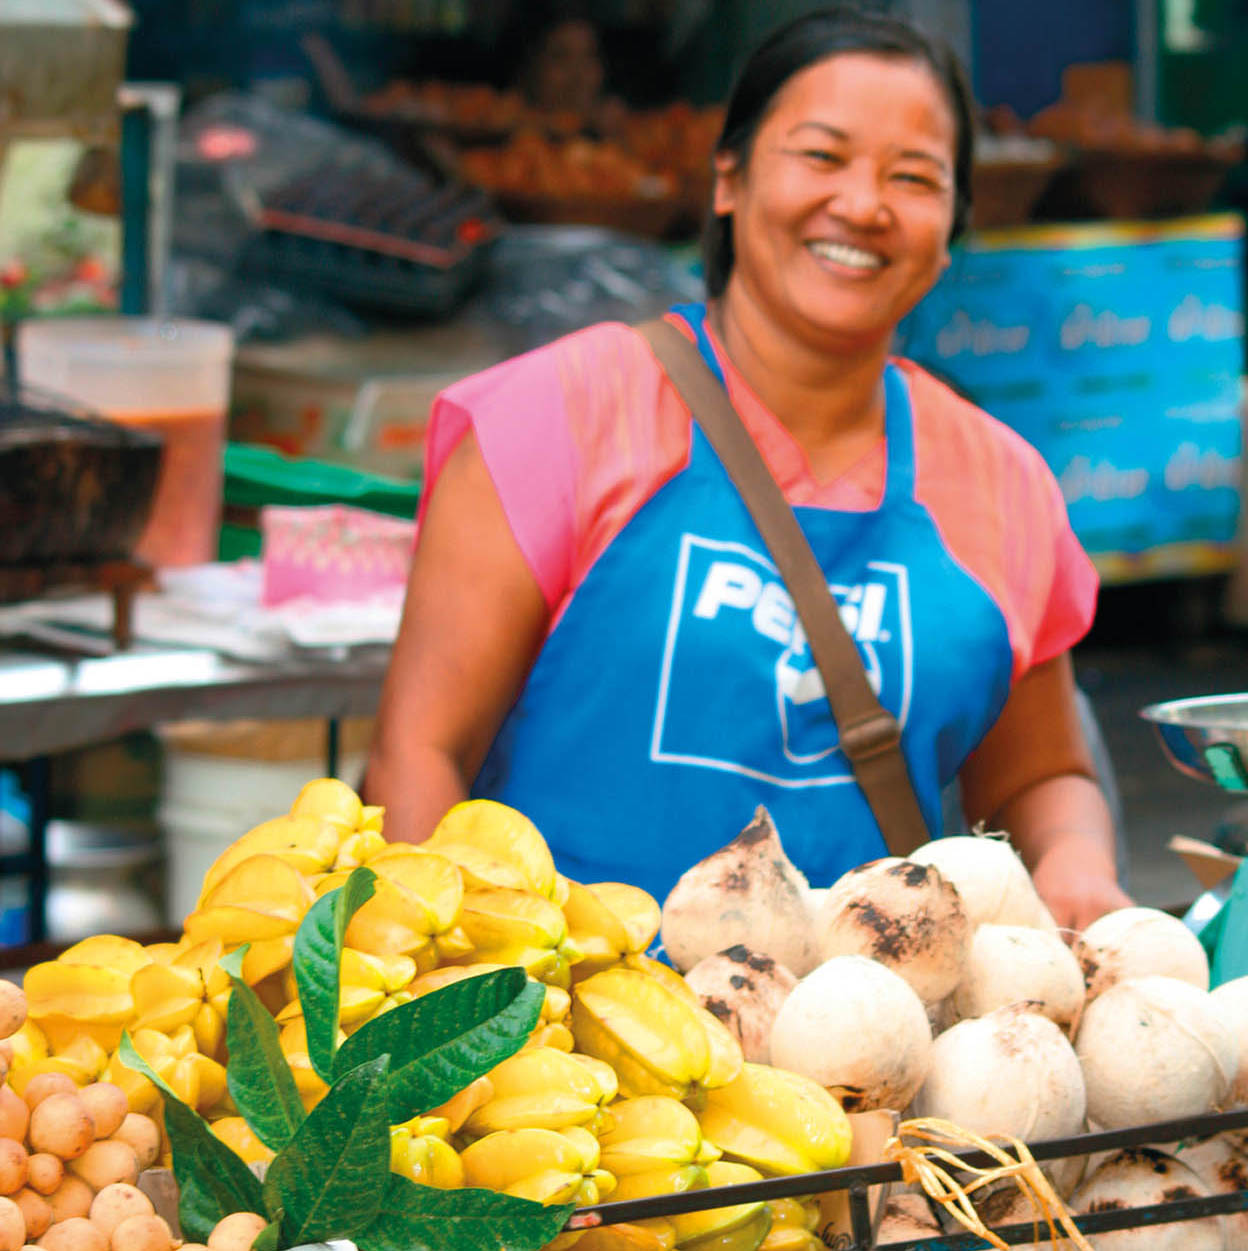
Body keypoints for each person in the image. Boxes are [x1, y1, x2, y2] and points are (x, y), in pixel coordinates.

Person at [364, 6, 1133, 931]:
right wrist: (441, 1001)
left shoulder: (1000, 482)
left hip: (859, 1057)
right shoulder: (560, 415)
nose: (862, 204)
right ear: (728, 178)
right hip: (565, 1046)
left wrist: (1076, 860)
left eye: (914, 177)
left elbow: (1043, 774)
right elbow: (419, 755)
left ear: (950, 226)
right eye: (821, 156)